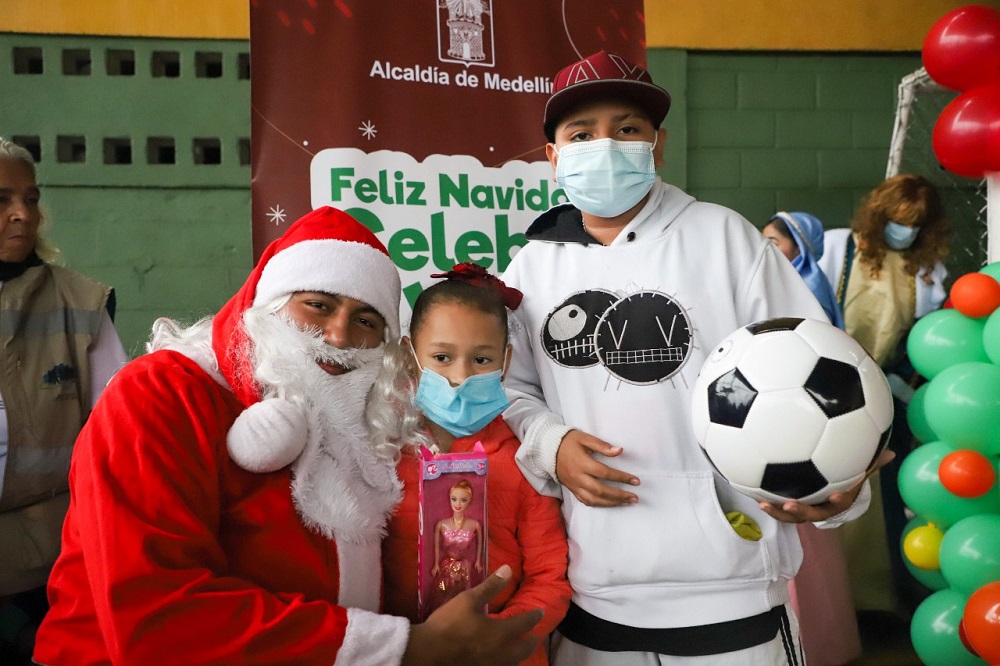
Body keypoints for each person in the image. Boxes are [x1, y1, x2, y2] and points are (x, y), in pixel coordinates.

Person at [502, 50, 888, 664]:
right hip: (593, 590)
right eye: (581, 134)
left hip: (736, 592)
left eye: (627, 129)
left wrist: (839, 487)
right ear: (553, 156)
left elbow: (825, 377)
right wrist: (551, 442)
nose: (605, 145)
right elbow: (514, 391)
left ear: (657, 146)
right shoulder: (531, 266)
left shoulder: (724, 237)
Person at [32, 206, 542, 665]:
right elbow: (156, 616)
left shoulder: (363, 416)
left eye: (366, 320)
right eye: (318, 305)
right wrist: (407, 648)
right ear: (267, 305)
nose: (339, 336)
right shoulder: (160, 395)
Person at [376, 262, 572, 665]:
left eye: (481, 360)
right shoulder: (383, 452)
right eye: (442, 357)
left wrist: (497, 638)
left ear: (505, 361)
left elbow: (549, 576)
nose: (460, 376)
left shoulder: (524, 457)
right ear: (411, 358)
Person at [0, 138, 128, 665]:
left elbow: (115, 434)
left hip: (50, 556)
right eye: (3, 199)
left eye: (30, 199)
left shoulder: (82, 304)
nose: (21, 215)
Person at [818, 174, 950, 617]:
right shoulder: (837, 247)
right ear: (880, 214)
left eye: (914, 223)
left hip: (885, 394)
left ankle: (879, 603)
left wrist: (900, 382)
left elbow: (923, 339)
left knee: (885, 493)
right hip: (824, 387)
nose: (904, 229)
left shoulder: (929, 272)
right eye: (897, 219)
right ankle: (833, 606)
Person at [763, 211, 861, 666]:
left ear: (801, 246)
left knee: (803, 539)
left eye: (775, 242)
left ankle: (812, 645)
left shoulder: (809, 291)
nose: (769, 251)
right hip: (773, 425)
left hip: (803, 429)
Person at [763, 211, 844, 328]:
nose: (766, 251)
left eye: (773, 244)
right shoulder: (778, 280)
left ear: (799, 247)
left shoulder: (810, 288)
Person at [428, 480, 484, 611]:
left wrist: (478, 561)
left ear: (469, 501)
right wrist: (436, 564)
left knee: (463, 594)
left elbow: (481, 543)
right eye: (454, 499)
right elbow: (436, 545)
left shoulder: (474, 524)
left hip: (464, 567)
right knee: (444, 591)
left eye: (463, 500)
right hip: (447, 567)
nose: (458, 504)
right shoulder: (441, 524)